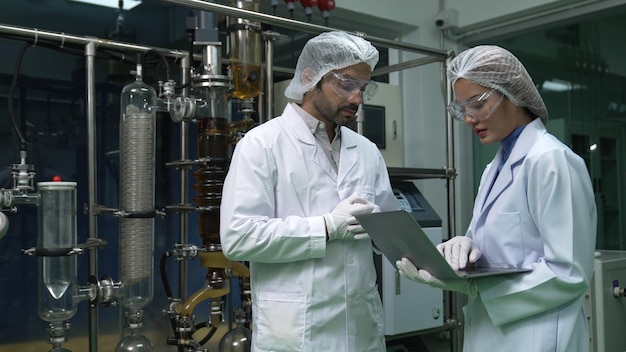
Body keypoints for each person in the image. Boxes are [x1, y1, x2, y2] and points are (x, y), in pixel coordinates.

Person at [396, 45, 597, 352]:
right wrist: (462, 259)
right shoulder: (495, 167)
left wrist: (475, 285)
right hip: (493, 334)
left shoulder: (551, 159)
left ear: (512, 93)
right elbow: (501, 253)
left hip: (538, 337)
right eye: (462, 109)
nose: (468, 119)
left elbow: (568, 272)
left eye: (478, 103)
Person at [220, 31, 400, 352]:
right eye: (346, 84)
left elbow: (391, 228)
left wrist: (435, 257)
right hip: (296, 331)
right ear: (309, 77)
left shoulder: (367, 150)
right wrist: (326, 227)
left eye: (362, 88)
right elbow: (239, 237)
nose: (357, 98)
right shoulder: (262, 145)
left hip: (359, 327)